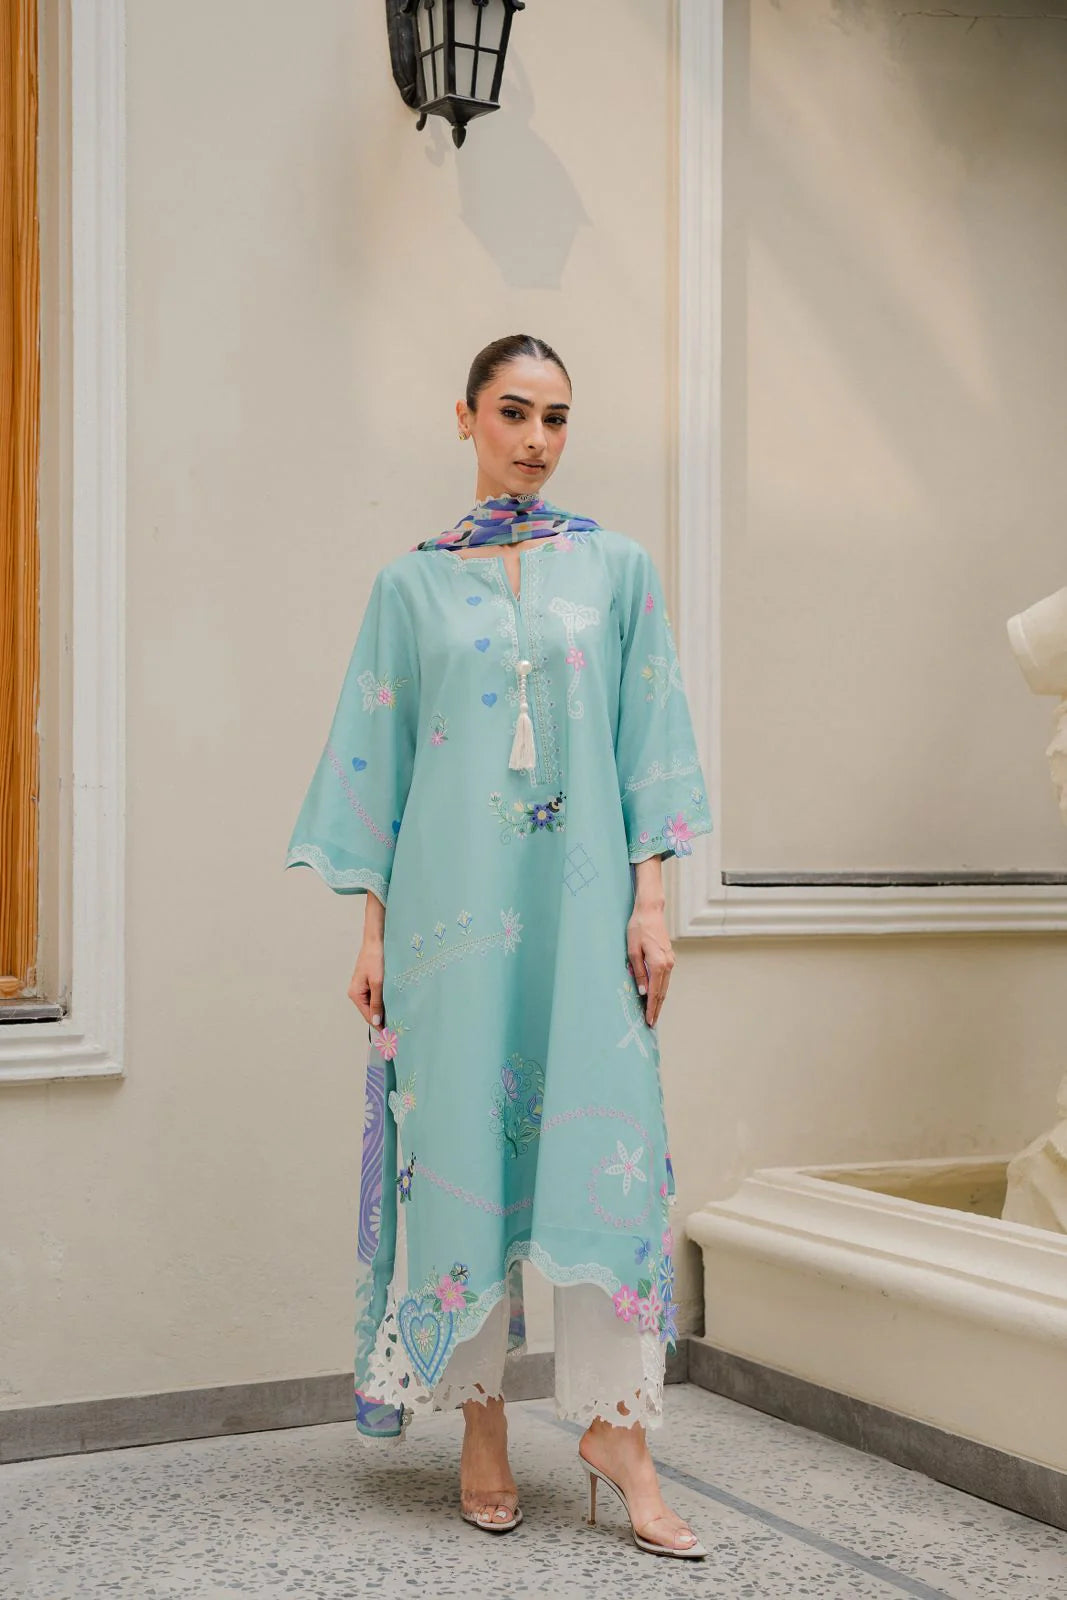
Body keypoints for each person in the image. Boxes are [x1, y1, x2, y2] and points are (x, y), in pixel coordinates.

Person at [285, 333, 713, 1558]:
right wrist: (371, 934)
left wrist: (648, 902)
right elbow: (378, 768)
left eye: (556, 417)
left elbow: (648, 736)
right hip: (450, 920)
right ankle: (480, 1423)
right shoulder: (409, 588)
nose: (535, 439)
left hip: (581, 911)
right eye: (513, 412)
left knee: (602, 1146)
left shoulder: (614, 570)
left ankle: (619, 1435)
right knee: (462, 1142)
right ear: (465, 416)